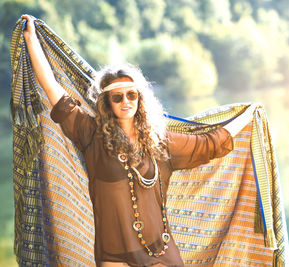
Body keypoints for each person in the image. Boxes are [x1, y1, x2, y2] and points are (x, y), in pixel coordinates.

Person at [21, 15, 255, 267]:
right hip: (114, 256)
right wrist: (31, 39)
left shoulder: (160, 142)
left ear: (140, 98)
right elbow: (51, 87)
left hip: (159, 252)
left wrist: (250, 113)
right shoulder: (90, 135)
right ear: (107, 103)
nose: (126, 102)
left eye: (131, 95)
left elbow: (209, 143)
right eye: (117, 97)